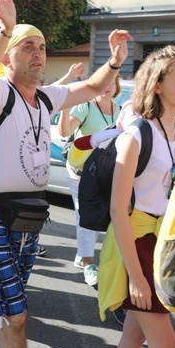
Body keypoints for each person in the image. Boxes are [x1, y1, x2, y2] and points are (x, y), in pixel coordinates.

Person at [0, 0, 128, 348]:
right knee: (15, 315)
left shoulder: (48, 95)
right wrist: (5, 29)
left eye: (42, 47)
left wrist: (116, 61)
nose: (37, 53)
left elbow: (93, 86)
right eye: (27, 46)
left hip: (27, 216)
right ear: (8, 58)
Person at [98, 45, 175, 348]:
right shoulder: (137, 134)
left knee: (134, 336)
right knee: (166, 347)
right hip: (136, 242)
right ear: (157, 85)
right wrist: (136, 275)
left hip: (162, 244)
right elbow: (117, 209)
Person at [57, 74, 120, 286]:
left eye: (111, 82)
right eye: (104, 82)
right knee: (85, 214)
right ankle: (88, 263)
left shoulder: (118, 110)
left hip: (101, 173)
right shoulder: (85, 107)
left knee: (96, 215)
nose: (107, 86)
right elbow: (65, 131)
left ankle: (82, 254)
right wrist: (66, 107)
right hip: (79, 170)